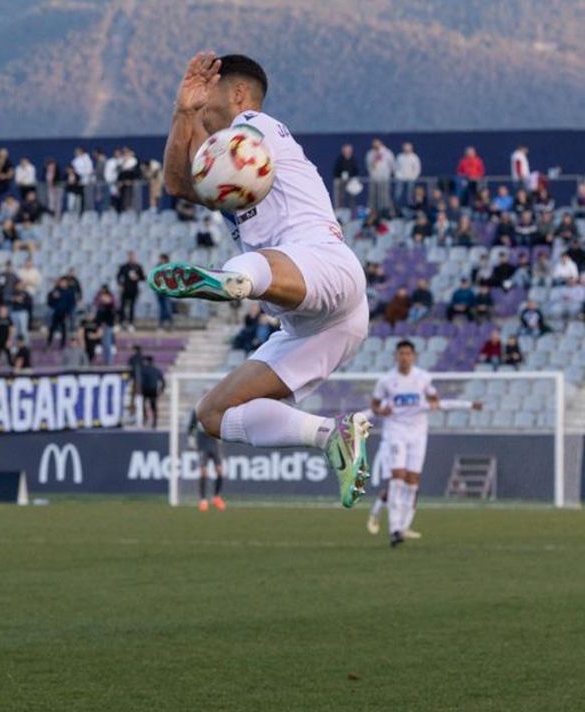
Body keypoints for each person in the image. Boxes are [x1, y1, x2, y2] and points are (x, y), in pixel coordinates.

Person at [151, 52, 372, 508]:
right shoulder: (226, 166)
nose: (204, 116)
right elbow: (177, 185)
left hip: (324, 266)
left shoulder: (257, 125)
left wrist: (198, 128)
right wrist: (184, 112)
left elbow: (209, 165)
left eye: (208, 102)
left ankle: (232, 281)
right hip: (311, 323)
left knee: (261, 262)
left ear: (236, 95)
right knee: (213, 413)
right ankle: (331, 435)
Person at [368, 340, 479, 546]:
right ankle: (394, 529)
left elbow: (434, 397)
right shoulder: (386, 381)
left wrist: (435, 403)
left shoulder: (423, 378)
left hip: (418, 433)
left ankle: (403, 526)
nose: (404, 357)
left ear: (414, 356)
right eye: (401, 353)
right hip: (396, 431)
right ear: (396, 356)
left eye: (408, 354)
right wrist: (382, 411)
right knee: (397, 478)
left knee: (412, 482)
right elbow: (374, 405)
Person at [186, 410, 226, 510]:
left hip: (214, 443)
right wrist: (191, 440)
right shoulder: (197, 410)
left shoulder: (215, 409)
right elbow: (191, 427)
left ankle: (216, 497)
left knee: (220, 469)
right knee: (203, 471)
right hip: (202, 444)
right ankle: (203, 500)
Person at [116, 251, 145, 331]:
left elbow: (143, 278)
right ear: (128, 257)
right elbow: (118, 276)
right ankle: (120, 323)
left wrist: (137, 277)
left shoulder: (138, 266)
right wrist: (120, 284)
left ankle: (130, 324)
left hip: (134, 290)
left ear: (135, 257)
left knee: (132, 307)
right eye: (130, 256)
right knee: (122, 307)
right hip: (125, 289)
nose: (131, 258)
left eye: (133, 256)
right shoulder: (124, 266)